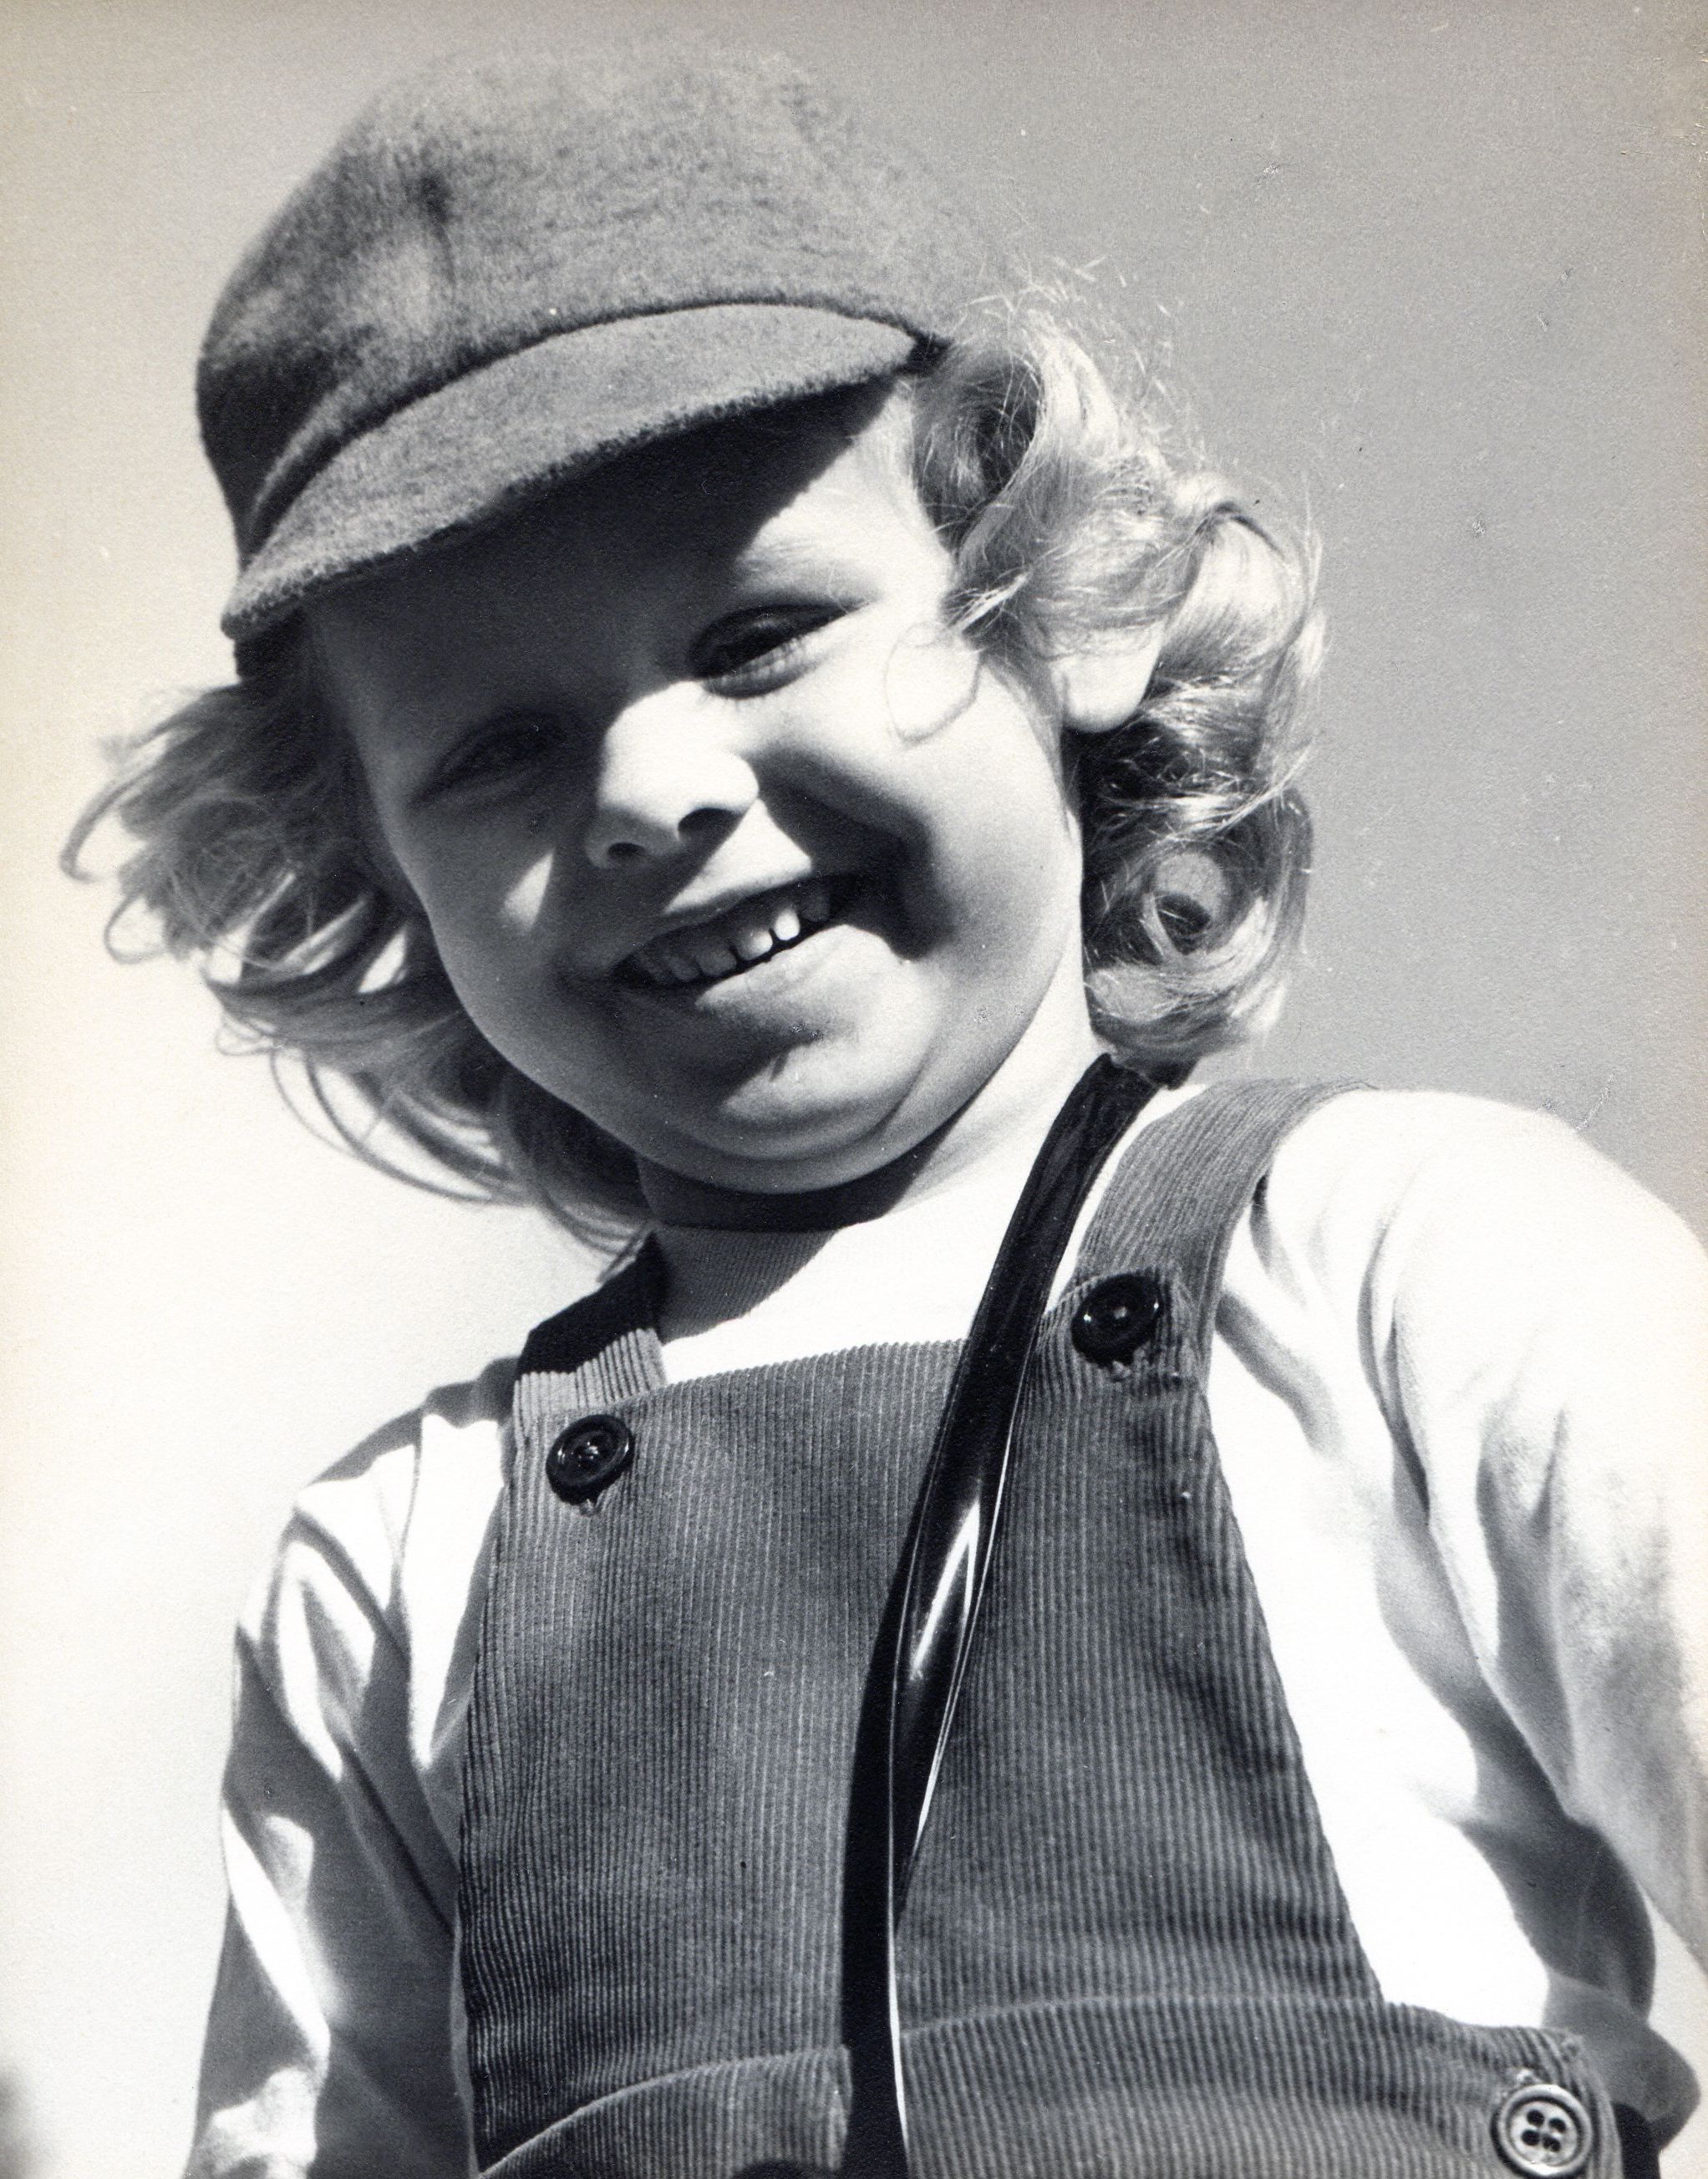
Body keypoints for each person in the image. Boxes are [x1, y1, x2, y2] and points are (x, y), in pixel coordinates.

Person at [69, 42, 1705, 2179]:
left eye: (758, 633)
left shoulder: (1412, 1255)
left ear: (1057, 604)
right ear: (373, 874)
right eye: (496, 748)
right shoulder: (393, 1563)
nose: (650, 789)